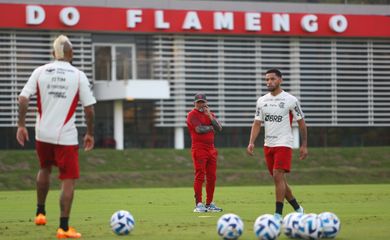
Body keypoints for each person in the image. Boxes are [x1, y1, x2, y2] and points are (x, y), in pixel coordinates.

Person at [16, 35, 96, 239]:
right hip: (65, 136)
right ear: (72, 54)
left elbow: (23, 98)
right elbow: (89, 110)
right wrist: (90, 133)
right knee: (68, 179)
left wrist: (21, 125)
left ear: (54, 54)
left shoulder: (40, 71)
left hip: (42, 133)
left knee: (44, 168)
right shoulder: (78, 75)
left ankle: (40, 213)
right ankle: (63, 227)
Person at [246, 69, 308, 221]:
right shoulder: (262, 100)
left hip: (284, 144)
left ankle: (278, 215)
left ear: (280, 80)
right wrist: (251, 142)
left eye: (272, 79)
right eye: (267, 79)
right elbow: (257, 123)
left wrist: (304, 144)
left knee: (278, 176)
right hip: (268, 145)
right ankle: (298, 208)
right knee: (279, 179)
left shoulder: (291, 100)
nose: (269, 82)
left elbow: (301, 123)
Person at [186, 93, 223, 212]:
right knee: (200, 175)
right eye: (198, 102)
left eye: (202, 102)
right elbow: (199, 129)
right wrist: (211, 127)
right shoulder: (192, 115)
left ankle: (209, 203)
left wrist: (211, 118)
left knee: (212, 177)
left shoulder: (210, 115)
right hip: (199, 148)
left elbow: (219, 128)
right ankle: (199, 204)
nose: (200, 104)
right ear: (194, 103)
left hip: (211, 149)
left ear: (206, 103)